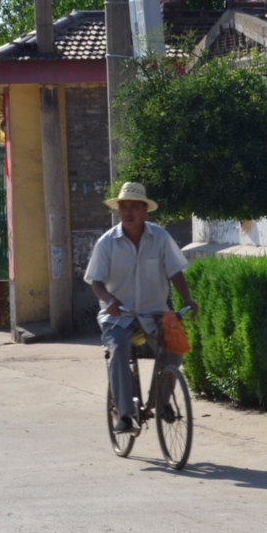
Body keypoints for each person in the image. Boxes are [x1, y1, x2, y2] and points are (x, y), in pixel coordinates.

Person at [84, 182, 197, 435]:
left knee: (174, 350)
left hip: (153, 313)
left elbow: (175, 271)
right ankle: (124, 415)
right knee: (119, 349)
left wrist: (188, 299)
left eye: (133, 206)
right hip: (118, 317)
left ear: (145, 210)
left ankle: (161, 399)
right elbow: (97, 282)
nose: (127, 212)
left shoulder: (160, 237)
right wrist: (110, 301)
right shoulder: (107, 243)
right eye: (123, 207)